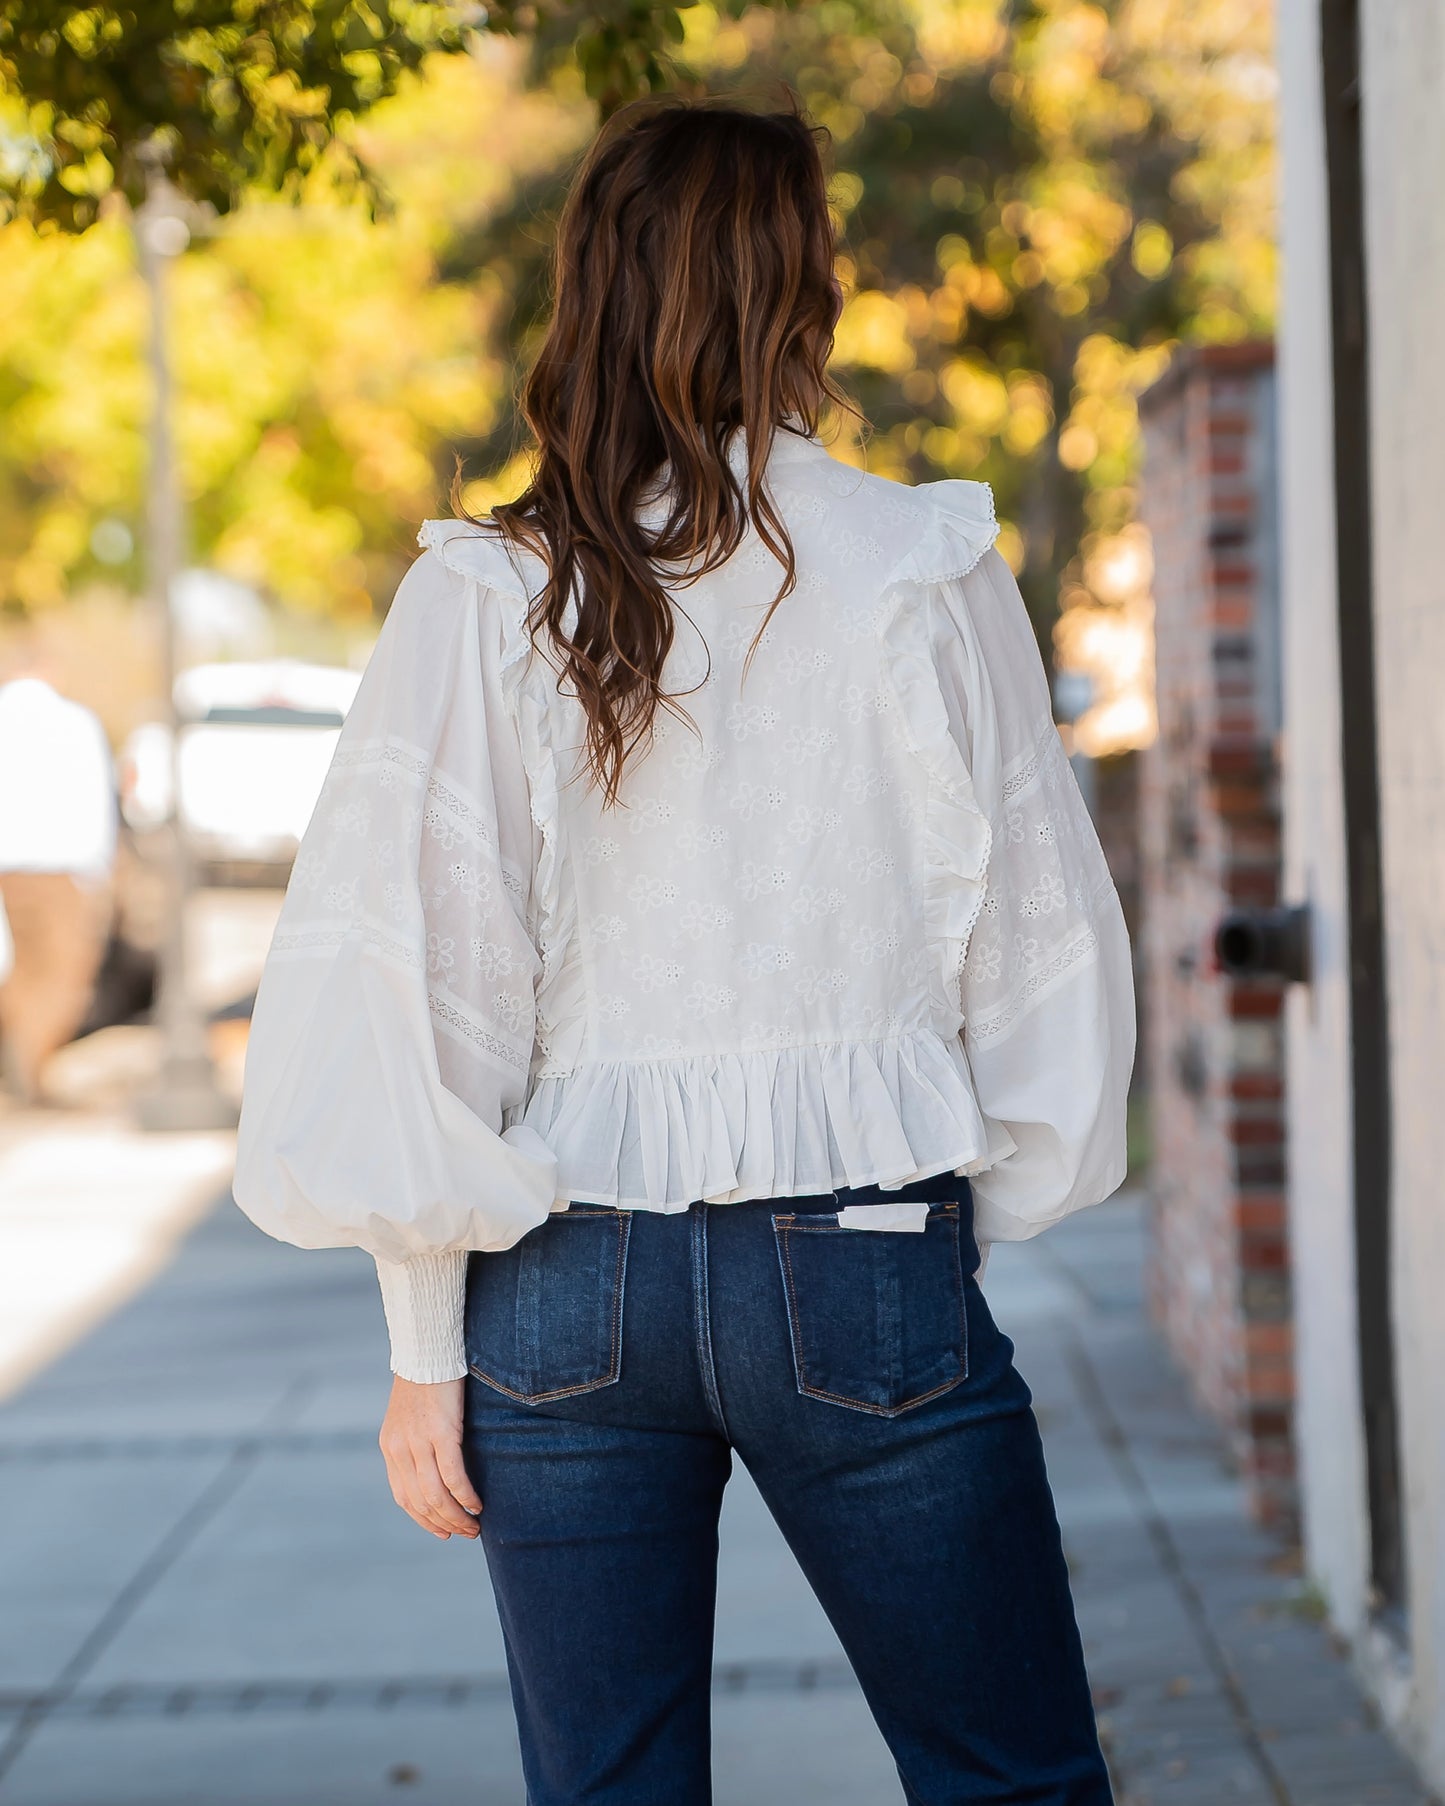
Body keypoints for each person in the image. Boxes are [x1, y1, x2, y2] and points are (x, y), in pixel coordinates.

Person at [234, 97, 1134, 1806]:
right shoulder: (922, 563)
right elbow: (1039, 943)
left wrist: (426, 1343)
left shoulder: (489, 591)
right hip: (871, 1254)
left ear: (589, 286)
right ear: (805, 292)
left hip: (563, 1285)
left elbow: (416, 984)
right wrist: (960, 1221)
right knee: (1012, 1779)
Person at [0, 653, 117, 1102]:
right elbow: (94, 798)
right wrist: (101, 868)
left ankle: (28, 1062)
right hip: (60, 869)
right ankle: (31, 1064)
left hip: (10, 869)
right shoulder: (75, 723)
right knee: (66, 975)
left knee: (21, 973)